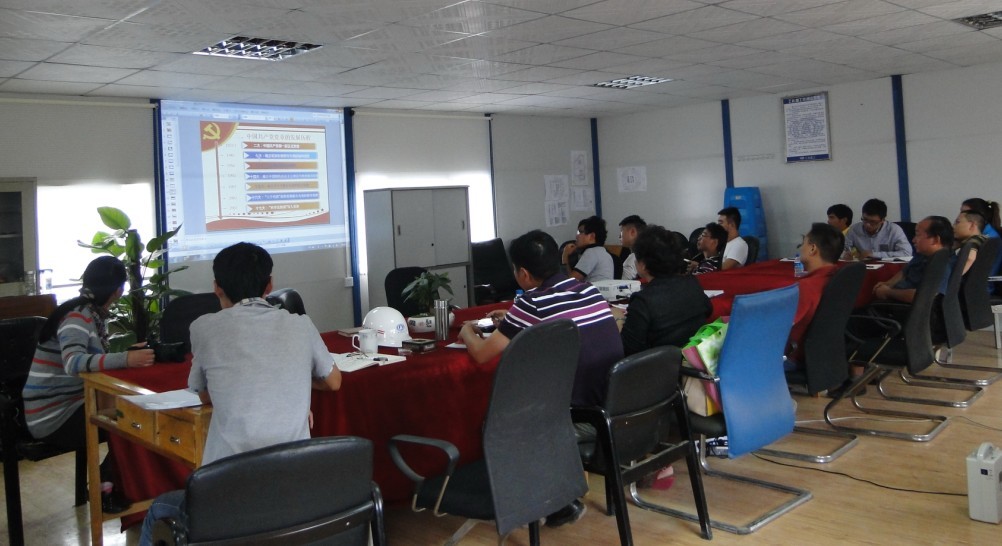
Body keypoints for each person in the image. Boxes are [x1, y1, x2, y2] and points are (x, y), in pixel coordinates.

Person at [140, 243, 342, 545]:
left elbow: (202, 394)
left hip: (226, 497)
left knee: (158, 510)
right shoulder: (300, 324)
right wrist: (293, 380)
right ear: (269, 285)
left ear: (217, 287)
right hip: (294, 495)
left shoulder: (204, 327)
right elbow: (334, 382)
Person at [459, 229, 623, 528]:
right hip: (611, 404)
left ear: (523, 273)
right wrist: (512, 316)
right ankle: (559, 498)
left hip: (580, 416)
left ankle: (552, 503)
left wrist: (467, 331)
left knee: (501, 421)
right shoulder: (587, 290)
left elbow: (482, 354)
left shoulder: (532, 303)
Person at [22, 256, 154, 513]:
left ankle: (107, 483)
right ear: (118, 290)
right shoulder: (78, 317)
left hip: (69, 405)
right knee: (134, 422)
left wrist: (127, 353)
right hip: (53, 417)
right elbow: (73, 363)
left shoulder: (87, 313)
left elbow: (90, 359)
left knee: (134, 417)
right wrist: (126, 359)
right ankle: (105, 487)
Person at [620, 225, 711, 356]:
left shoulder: (643, 300)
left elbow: (628, 350)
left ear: (643, 265)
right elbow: (708, 310)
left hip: (656, 366)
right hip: (692, 359)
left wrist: (618, 321)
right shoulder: (692, 283)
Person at [785, 223, 844, 370]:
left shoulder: (807, 287)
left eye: (804, 242)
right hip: (822, 357)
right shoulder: (837, 278)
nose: (801, 248)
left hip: (792, 356)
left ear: (812, 249)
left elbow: (783, 326)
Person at [871, 216, 954, 304]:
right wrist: (888, 284)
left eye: (918, 235)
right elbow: (905, 271)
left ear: (935, 240)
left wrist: (888, 292)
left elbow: (924, 296)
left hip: (905, 307)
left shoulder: (942, 264)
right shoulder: (923, 254)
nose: (913, 240)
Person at [843, 198, 912, 259]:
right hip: (862, 266)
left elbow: (906, 253)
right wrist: (847, 254)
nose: (867, 225)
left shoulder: (894, 230)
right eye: (865, 219)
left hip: (888, 267)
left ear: (883, 220)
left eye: (873, 222)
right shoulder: (854, 229)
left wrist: (874, 255)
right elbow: (843, 249)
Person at [562, 215, 614, 282]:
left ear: (592, 236)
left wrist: (565, 257)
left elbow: (570, 282)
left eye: (580, 232)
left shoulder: (591, 253)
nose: (576, 236)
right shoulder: (602, 251)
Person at [960, 198, 1002, 279]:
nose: (961, 216)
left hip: (981, 284)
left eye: (965, 212)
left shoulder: (987, 238)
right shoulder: (985, 232)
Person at [953, 210, 988, 275]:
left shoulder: (975, 240)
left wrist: (955, 277)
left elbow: (970, 258)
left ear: (972, 225)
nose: (953, 226)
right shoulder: (982, 239)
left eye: (957, 222)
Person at [618, 214, 646, 280]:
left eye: (622, 231)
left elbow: (624, 282)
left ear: (632, 232)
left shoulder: (633, 258)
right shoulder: (648, 255)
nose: (619, 236)